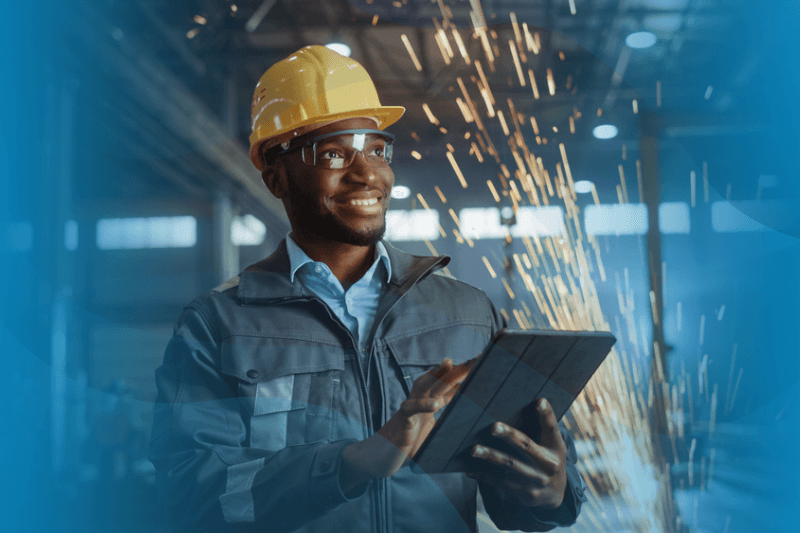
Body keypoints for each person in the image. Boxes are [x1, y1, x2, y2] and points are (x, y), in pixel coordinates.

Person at [149, 45, 586, 533]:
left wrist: (550, 494)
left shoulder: (467, 314)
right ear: (276, 176)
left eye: (377, 150)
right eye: (334, 153)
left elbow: (514, 494)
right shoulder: (218, 325)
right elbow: (193, 500)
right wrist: (353, 463)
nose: (367, 174)